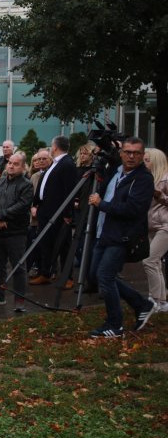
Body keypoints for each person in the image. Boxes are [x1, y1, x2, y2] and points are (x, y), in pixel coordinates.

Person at [88, 137, 156, 337]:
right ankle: (141, 304)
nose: (131, 156)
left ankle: (114, 324)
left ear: (143, 155)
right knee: (95, 275)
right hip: (104, 231)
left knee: (105, 276)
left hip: (123, 236)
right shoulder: (116, 171)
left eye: (136, 153)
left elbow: (134, 209)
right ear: (121, 153)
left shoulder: (143, 178)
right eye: (127, 152)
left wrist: (102, 205)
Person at [0, 152, 34, 311]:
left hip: (16, 233)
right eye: (10, 163)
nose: (11, 166)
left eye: (16, 164)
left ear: (23, 167)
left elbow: (22, 205)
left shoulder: (26, 185)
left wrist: (1, 215)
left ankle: (19, 300)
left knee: (18, 267)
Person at [31, 136, 78, 285]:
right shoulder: (55, 163)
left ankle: (67, 277)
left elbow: (69, 191)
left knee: (63, 245)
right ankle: (45, 272)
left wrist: (67, 214)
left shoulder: (67, 164)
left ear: (55, 147)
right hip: (46, 210)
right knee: (46, 243)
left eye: (51, 146)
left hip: (59, 213)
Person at [143, 148, 168, 313]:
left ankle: (155, 298)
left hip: (165, 225)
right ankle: (161, 301)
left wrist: (161, 196)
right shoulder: (148, 179)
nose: (144, 162)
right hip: (152, 226)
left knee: (150, 260)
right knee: (155, 262)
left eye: (147, 159)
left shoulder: (165, 179)